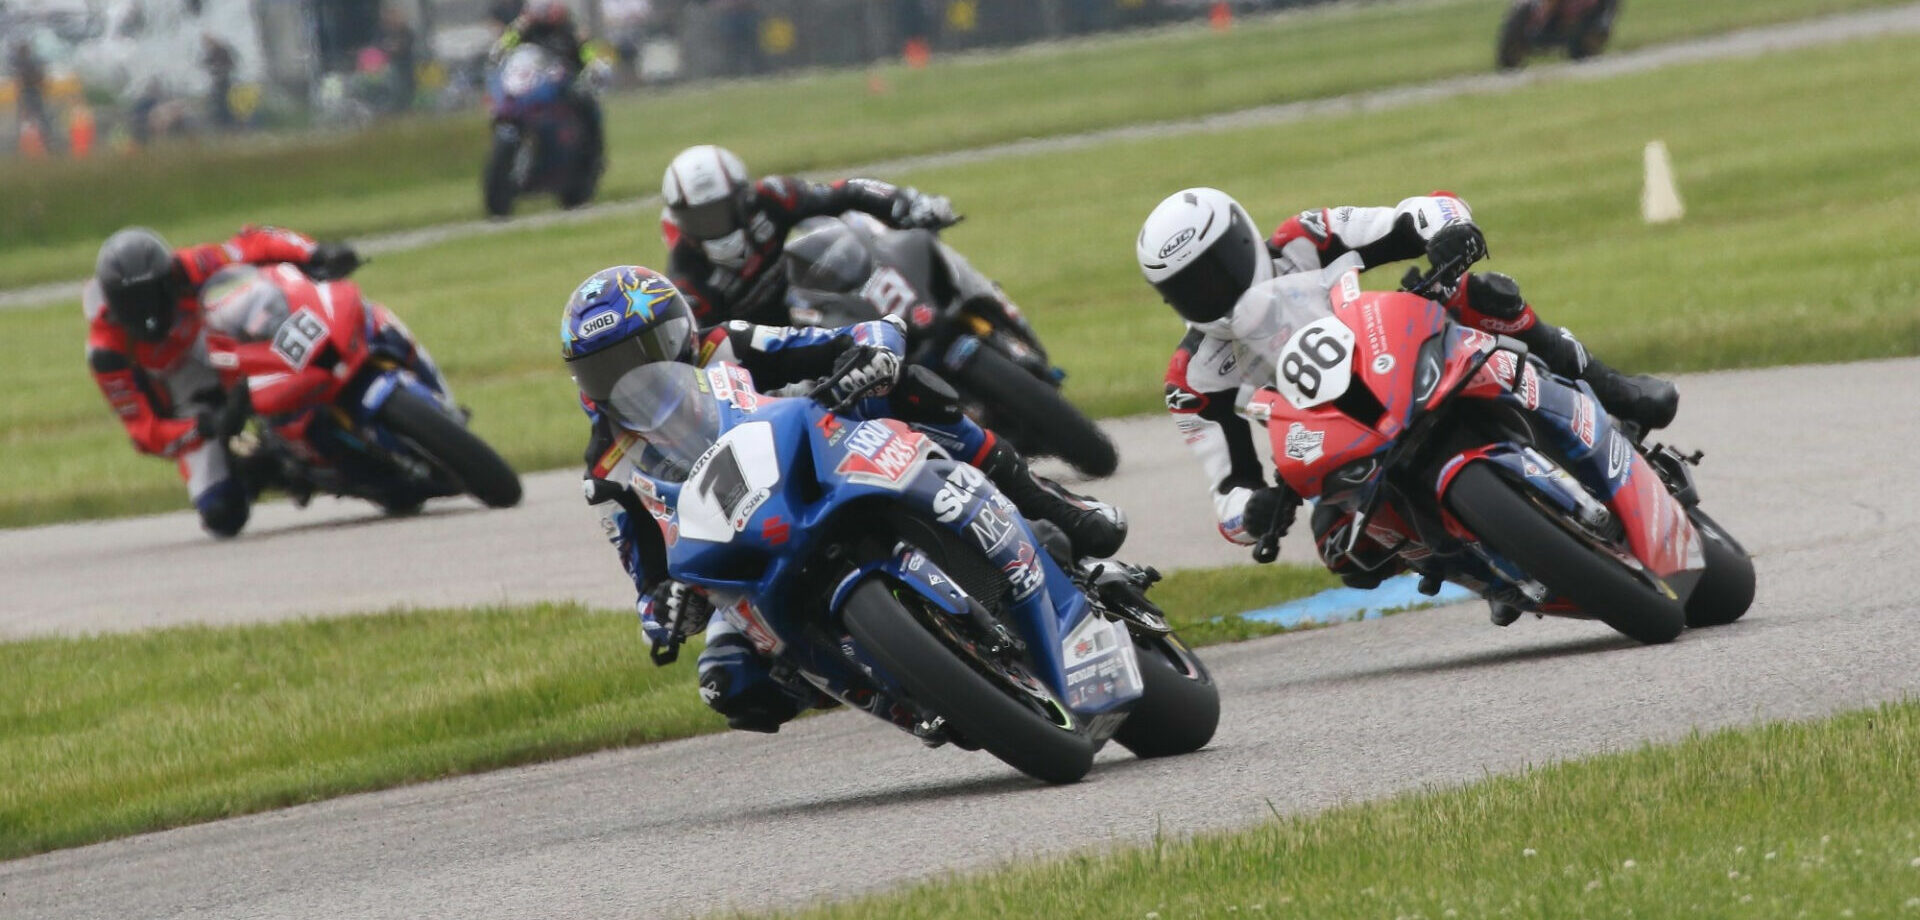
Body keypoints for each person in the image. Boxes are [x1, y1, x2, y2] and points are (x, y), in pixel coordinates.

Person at [560, 265, 1126, 733]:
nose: (632, 376)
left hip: (819, 458)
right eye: (605, 369)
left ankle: (1050, 504)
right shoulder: (606, 469)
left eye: (643, 351)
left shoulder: (728, 345)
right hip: (743, 542)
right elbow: (645, 579)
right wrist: (664, 613)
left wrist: (874, 350)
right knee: (729, 682)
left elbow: (840, 340)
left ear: (678, 331)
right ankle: (903, 684)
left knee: (910, 390)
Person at [1137, 187, 1679, 601]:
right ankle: (1482, 566)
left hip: (1396, 355)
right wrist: (1253, 511)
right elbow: (1226, 492)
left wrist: (1449, 231)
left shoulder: (1306, 237)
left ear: (1244, 238)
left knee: (1476, 293)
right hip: (1338, 442)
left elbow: (1419, 212)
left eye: (1219, 269)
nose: (1213, 290)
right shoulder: (1193, 379)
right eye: (1191, 287)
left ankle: (1612, 390)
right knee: (1343, 553)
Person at [84, 226, 362, 537]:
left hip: (221, 344)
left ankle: (322, 379)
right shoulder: (107, 353)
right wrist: (202, 426)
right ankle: (275, 468)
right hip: (187, 398)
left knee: (247, 299)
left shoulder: (189, 266)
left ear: (168, 279)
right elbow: (144, 432)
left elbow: (254, 243)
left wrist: (313, 252)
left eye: (153, 295)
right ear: (112, 302)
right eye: (131, 302)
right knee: (222, 514)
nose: (146, 311)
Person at [659, 144, 960, 326]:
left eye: (720, 212)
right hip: (778, 354)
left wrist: (905, 201)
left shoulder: (771, 196)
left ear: (742, 198)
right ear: (681, 223)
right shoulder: (686, 281)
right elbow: (709, 350)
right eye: (700, 220)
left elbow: (844, 193)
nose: (714, 227)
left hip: (813, 298)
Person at [492, 0, 611, 170]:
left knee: (588, 103)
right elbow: (505, 46)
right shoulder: (525, 28)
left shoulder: (572, 30)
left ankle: (595, 156)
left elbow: (587, 52)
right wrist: (502, 45)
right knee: (504, 99)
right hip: (531, 84)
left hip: (561, 84)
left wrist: (593, 64)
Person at [8, 38, 60, 153]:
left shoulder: (27, 63)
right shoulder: (26, 63)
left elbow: (35, 79)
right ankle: (41, 143)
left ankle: (45, 143)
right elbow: (35, 79)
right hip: (30, 94)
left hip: (31, 94)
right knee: (35, 119)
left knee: (36, 119)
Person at [201, 34, 237, 129]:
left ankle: (227, 123)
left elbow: (230, 65)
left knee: (224, 103)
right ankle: (221, 123)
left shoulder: (222, 51)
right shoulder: (211, 53)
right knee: (217, 102)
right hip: (217, 82)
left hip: (224, 81)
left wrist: (220, 69)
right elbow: (206, 63)